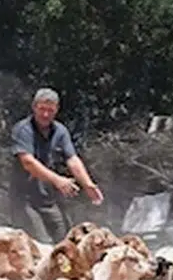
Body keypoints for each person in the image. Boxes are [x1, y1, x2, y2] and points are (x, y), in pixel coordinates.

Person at [9, 87, 104, 245]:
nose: (45, 114)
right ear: (34, 108)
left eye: (50, 110)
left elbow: (72, 159)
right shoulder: (23, 130)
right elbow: (28, 162)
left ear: (56, 110)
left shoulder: (60, 131)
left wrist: (87, 184)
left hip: (48, 199)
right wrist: (58, 181)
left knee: (64, 242)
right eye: (42, 109)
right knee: (41, 244)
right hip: (24, 201)